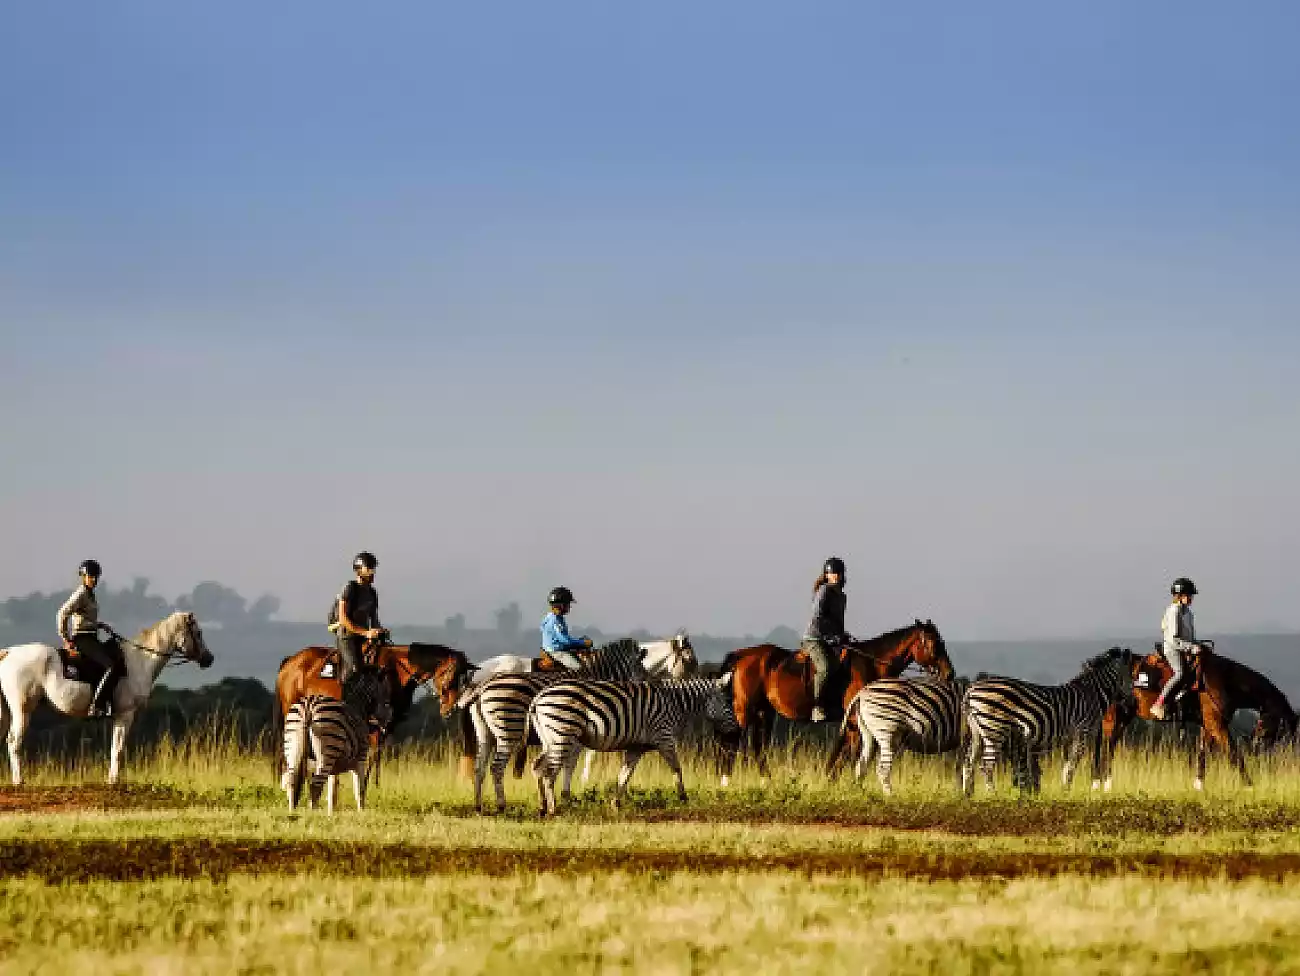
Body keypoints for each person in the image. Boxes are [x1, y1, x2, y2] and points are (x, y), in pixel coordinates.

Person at [56, 559, 124, 718]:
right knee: (111, 667)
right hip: (82, 639)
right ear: (83, 577)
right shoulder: (81, 594)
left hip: (91, 635)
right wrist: (66, 638)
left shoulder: (90, 595)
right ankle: (97, 705)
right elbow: (62, 613)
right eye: (91, 576)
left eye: (96, 577)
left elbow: (85, 618)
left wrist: (100, 625)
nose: (94, 580)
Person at [804, 556, 850, 722]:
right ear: (826, 575)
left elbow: (838, 622)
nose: (836, 576)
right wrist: (834, 635)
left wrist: (843, 636)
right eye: (832, 573)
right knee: (824, 668)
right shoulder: (824, 590)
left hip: (832, 640)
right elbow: (818, 617)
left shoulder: (842, 597)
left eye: (838, 573)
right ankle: (817, 707)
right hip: (814, 638)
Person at [331, 552, 386, 688]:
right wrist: (366, 633)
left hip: (362, 637)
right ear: (358, 570)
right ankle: (343, 701)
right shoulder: (350, 588)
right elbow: (343, 619)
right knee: (353, 669)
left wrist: (379, 630)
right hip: (347, 636)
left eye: (373, 568)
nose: (373, 572)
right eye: (369, 568)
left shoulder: (372, 592)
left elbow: (374, 618)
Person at [1152, 577, 1201, 721]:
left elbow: (1190, 637)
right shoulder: (1174, 611)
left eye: (1191, 595)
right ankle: (1158, 704)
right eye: (1189, 595)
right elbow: (1173, 639)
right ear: (1180, 596)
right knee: (1179, 673)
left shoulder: (1189, 614)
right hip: (1172, 649)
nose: (1191, 598)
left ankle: (1182, 698)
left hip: (1185, 648)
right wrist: (1191, 648)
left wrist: (1197, 645)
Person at [540, 586, 592, 670]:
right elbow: (565, 640)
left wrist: (579, 642)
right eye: (568, 604)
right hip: (556, 652)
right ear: (561, 605)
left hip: (556, 649)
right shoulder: (555, 620)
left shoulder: (551, 617)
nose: (569, 607)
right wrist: (583, 643)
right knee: (580, 668)